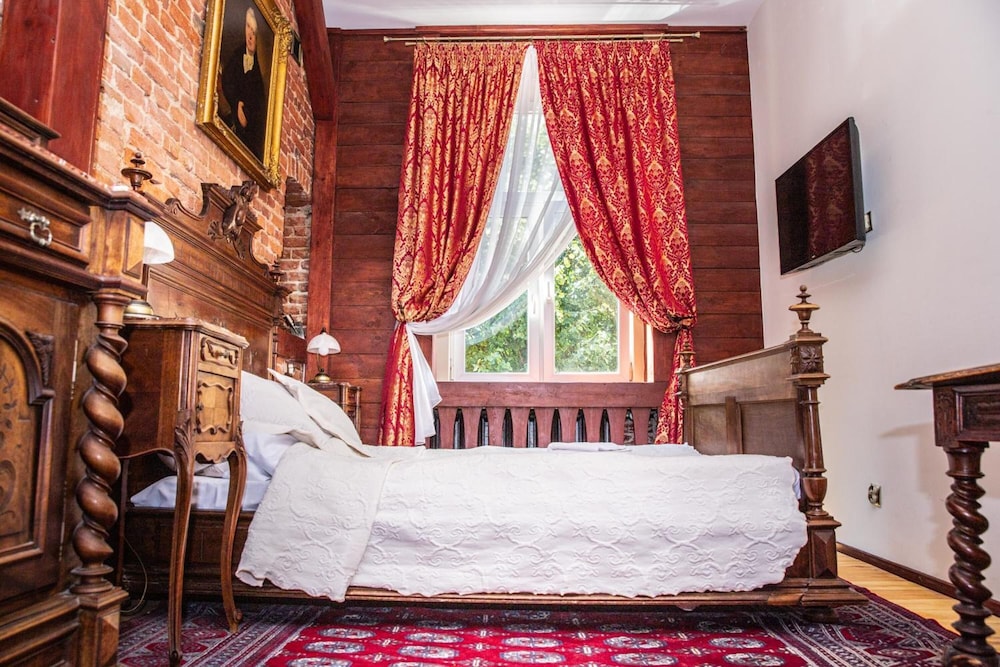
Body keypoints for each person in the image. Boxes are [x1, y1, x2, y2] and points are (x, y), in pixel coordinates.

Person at [219, 7, 267, 160]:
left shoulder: (260, 72)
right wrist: (237, 104)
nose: (250, 35)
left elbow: (259, 109)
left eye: (254, 30)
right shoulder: (235, 58)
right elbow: (227, 83)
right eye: (248, 27)